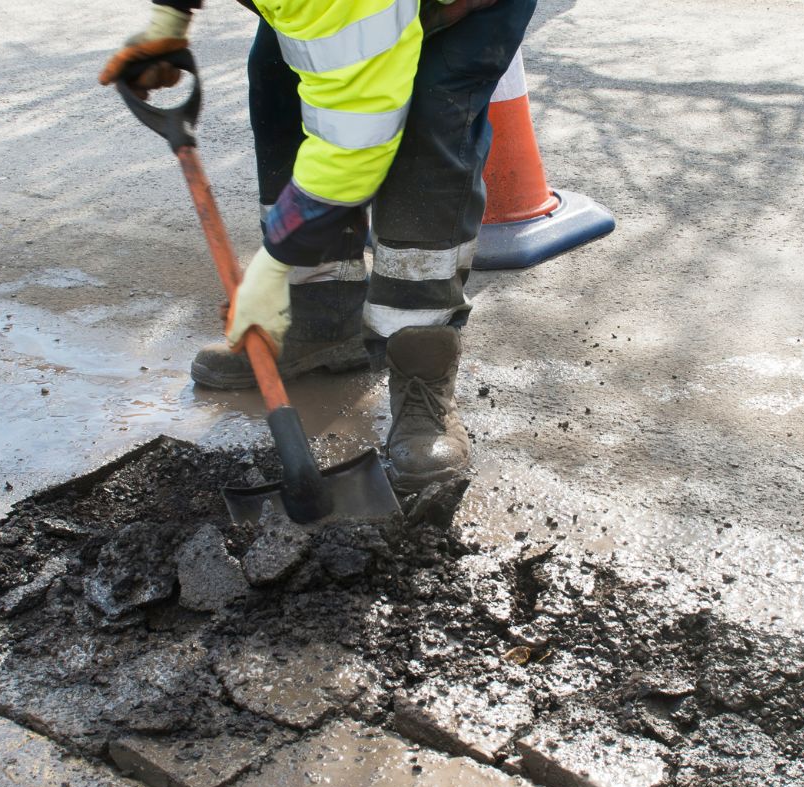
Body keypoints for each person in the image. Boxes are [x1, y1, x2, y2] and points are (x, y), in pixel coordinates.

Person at [100, 0, 533, 496]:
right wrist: (170, 19)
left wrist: (272, 266)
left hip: (459, 8)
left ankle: (418, 359)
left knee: (430, 122)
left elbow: (354, 144)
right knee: (279, 80)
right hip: (341, 15)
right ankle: (321, 315)